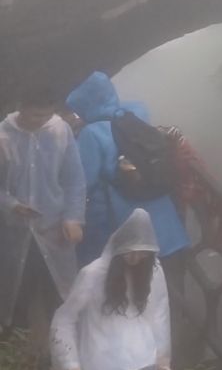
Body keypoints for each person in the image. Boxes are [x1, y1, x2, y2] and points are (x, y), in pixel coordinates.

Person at [64, 73, 190, 266]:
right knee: (168, 278)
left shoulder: (91, 133)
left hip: (126, 230)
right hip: (167, 228)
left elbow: (82, 181)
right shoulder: (137, 113)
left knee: (133, 282)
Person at [0, 82, 86, 361]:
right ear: (21, 107)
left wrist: (73, 217)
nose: (41, 121)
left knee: (60, 299)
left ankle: (63, 365)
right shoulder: (4, 136)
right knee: (14, 300)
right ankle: (13, 366)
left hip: (54, 231)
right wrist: (11, 205)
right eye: (36, 115)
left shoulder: (59, 132)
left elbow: (74, 179)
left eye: (47, 115)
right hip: (16, 235)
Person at [50, 208, 169, 370]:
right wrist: (71, 365)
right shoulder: (94, 274)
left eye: (142, 253)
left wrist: (163, 357)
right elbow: (65, 318)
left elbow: (158, 313)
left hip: (144, 361)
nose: (135, 258)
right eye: (130, 252)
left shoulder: (151, 272)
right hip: (104, 369)